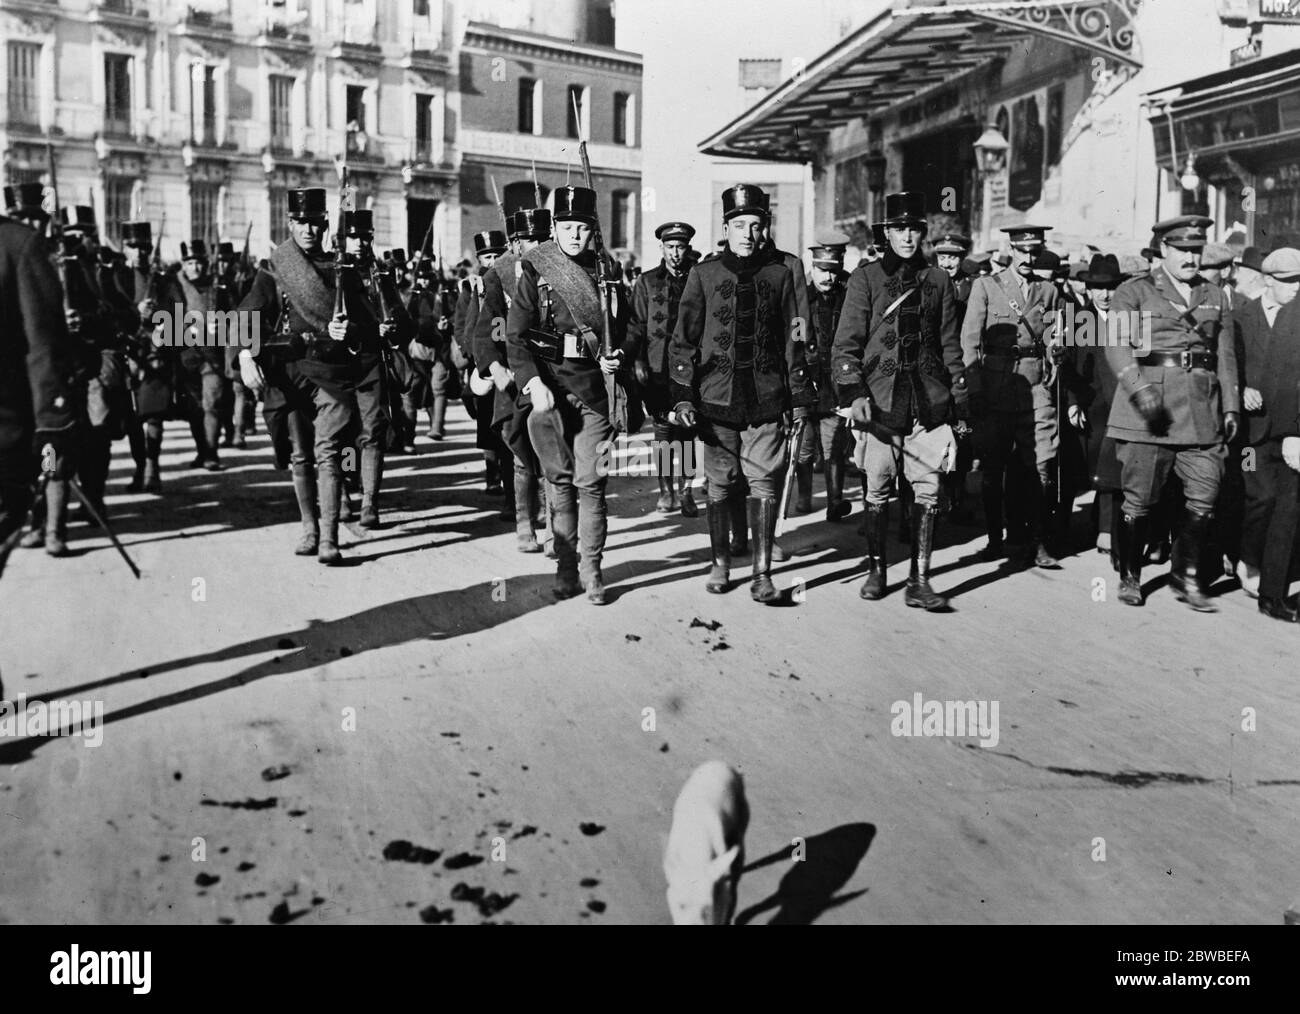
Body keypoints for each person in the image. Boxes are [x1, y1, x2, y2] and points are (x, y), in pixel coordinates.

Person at [668, 183, 812, 602]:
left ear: (765, 228)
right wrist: (682, 395)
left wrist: (800, 392)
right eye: (739, 224)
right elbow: (683, 341)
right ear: (726, 227)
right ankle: (720, 563)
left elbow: (797, 334)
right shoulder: (705, 274)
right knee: (720, 483)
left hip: (768, 396)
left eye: (756, 224)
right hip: (716, 399)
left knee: (764, 482)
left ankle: (762, 574)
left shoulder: (783, 272)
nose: (748, 233)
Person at [831, 191, 964, 611]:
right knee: (878, 487)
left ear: (923, 233)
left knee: (929, 487)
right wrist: (853, 394)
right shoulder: (865, 278)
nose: (907, 237)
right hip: (881, 401)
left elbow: (949, 347)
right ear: (886, 232)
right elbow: (845, 346)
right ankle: (876, 569)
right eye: (899, 229)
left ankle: (919, 580)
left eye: (914, 229)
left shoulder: (939, 281)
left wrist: (958, 402)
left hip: (928, 400)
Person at [506, 185, 632, 605]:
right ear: (554, 228)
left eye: (582, 227)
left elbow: (629, 327)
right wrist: (531, 382)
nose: (574, 235)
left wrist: (617, 355)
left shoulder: (608, 270)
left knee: (591, 483)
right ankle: (565, 566)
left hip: (595, 394)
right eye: (566, 227)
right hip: (551, 394)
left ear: (592, 228)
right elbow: (516, 336)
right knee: (558, 484)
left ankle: (592, 570)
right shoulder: (536, 269)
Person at [1106, 215, 1239, 610]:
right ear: (1163, 249)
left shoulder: (1215, 295)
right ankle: (1130, 576)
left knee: (1204, 494)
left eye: (1197, 251)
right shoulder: (1135, 292)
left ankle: (1186, 576)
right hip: (1150, 410)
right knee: (1140, 499)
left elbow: (1225, 355)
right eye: (1183, 250)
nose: (1191, 258)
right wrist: (1138, 388)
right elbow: (1116, 343)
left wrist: (1230, 405)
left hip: (1200, 411)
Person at [962, 225, 1064, 568]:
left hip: (1035, 387)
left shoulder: (1049, 290)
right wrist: (973, 388)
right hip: (995, 388)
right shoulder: (986, 286)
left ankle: (1037, 542)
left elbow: (1054, 333)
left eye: (1036, 253)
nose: (1030, 259)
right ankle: (995, 540)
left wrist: (1055, 351)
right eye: (1024, 252)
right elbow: (969, 343)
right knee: (993, 468)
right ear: (1012, 250)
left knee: (1042, 464)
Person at [0, 208, 79, 565]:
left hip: (13, 423)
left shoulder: (17, 246)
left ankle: (52, 528)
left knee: (56, 464)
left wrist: (51, 420)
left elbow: (43, 343)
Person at [473, 206, 554, 551]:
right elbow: (487, 331)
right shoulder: (499, 275)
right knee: (521, 452)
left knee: (554, 456)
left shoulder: (560, 269)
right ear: (515, 244)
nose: (534, 246)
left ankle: (555, 528)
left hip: (553, 372)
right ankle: (525, 524)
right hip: (514, 372)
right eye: (526, 240)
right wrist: (496, 367)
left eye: (541, 239)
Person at [1236, 247, 1300, 619]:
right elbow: (1227, 365)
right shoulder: (1242, 317)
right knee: (1258, 497)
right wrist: (1241, 390)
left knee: (1288, 507)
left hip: (1288, 431)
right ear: (1268, 280)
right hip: (1250, 435)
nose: (1296, 289)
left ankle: (1271, 593)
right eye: (1290, 282)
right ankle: (1247, 558)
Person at [630, 220, 698, 517]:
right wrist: (638, 360)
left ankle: (685, 492)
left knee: (686, 430)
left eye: (680, 247)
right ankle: (666, 490)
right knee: (662, 431)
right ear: (661, 248)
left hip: (689, 369)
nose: (675, 253)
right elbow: (635, 325)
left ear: (688, 248)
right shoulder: (647, 282)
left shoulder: (697, 278)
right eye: (670, 247)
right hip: (656, 369)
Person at [1062, 253, 1127, 564]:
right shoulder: (1079, 319)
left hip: (1120, 406)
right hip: (1089, 407)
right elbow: (1069, 365)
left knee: (1112, 467)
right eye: (1098, 288)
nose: (1105, 295)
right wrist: (1073, 402)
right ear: (1087, 289)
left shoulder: (1127, 319)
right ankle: (1068, 530)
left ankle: (1106, 529)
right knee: (1082, 469)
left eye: (1112, 288)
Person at [793, 237, 852, 522]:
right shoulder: (799, 297)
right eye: (823, 270)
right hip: (806, 383)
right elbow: (794, 342)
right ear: (812, 268)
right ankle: (804, 495)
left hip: (836, 385)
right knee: (804, 450)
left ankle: (835, 500)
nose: (829, 277)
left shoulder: (849, 294)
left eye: (834, 270)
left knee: (834, 447)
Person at [457, 230, 509, 494]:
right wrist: (473, 351)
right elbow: (461, 326)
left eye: (497, 255)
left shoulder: (512, 280)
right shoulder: (471, 287)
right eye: (487, 256)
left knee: (507, 423)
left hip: (508, 361)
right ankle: (492, 474)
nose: (492, 261)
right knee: (486, 423)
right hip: (481, 363)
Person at [171, 239, 229, 471]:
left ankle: (211, 454)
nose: (195, 267)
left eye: (199, 262)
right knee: (194, 408)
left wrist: (221, 324)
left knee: (212, 404)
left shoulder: (218, 288)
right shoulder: (175, 288)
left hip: (212, 356)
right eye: (190, 262)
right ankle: (201, 451)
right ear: (183, 265)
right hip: (186, 356)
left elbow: (236, 316)